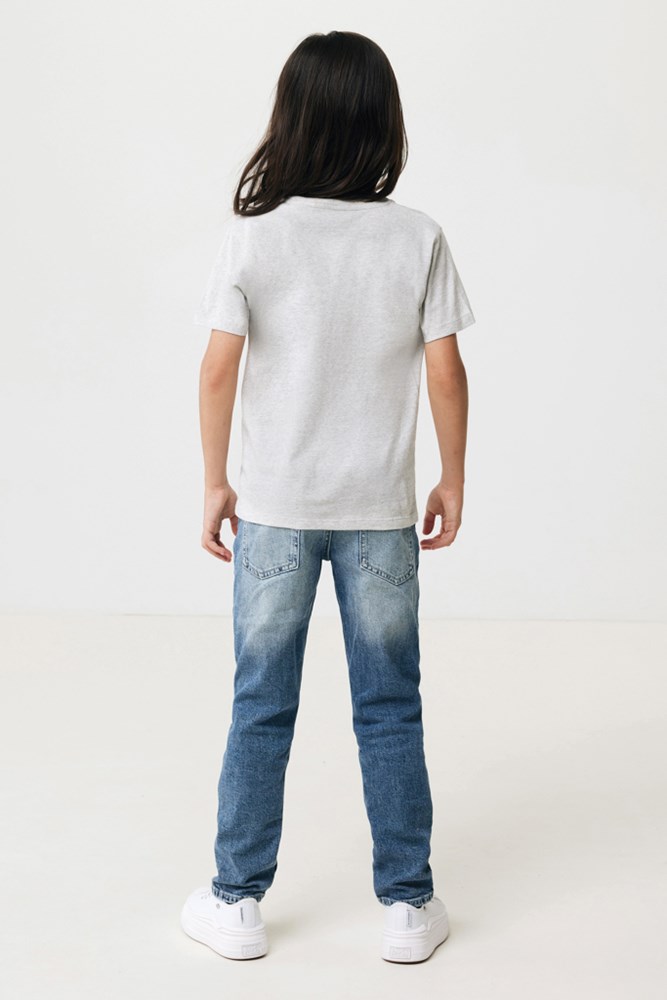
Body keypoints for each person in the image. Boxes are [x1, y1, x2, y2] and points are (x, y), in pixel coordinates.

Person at [180, 29, 475, 964]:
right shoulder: (416, 237)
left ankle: (235, 901)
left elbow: (218, 369)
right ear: (382, 123)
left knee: (260, 704)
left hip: (274, 507)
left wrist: (215, 481)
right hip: (379, 514)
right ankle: (407, 906)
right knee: (389, 706)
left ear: (292, 119)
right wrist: (451, 477)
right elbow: (445, 371)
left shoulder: (255, 236)